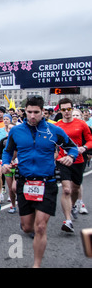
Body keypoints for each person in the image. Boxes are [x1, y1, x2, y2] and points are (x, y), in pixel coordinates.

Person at [2, 95, 78, 268]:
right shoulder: (16, 131)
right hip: (25, 182)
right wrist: (5, 163)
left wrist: (71, 157)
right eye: (29, 112)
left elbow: (72, 147)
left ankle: (36, 265)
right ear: (25, 112)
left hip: (47, 183)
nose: (32, 116)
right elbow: (8, 151)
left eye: (36, 112)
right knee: (28, 227)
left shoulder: (54, 130)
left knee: (41, 227)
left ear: (43, 112)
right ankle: (31, 225)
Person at [54, 98, 92, 233]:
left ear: (72, 108)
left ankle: (74, 204)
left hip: (78, 160)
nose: (67, 112)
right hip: (63, 160)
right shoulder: (57, 126)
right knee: (66, 190)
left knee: (75, 188)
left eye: (69, 109)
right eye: (63, 110)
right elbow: (51, 143)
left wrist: (83, 148)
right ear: (60, 110)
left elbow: (90, 140)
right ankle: (68, 220)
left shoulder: (81, 124)